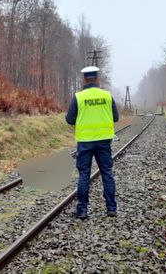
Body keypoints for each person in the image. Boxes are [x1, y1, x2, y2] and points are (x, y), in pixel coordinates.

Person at [66, 66, 119, 220]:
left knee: (84, 175)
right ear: (97, 78)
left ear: (84, 79)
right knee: (107, 173)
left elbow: (69, 119)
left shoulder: (79, 97)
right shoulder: (107, 96)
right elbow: (115, 117)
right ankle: (111, 208)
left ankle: (82, 210)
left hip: (85, 142)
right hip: (104, 141)